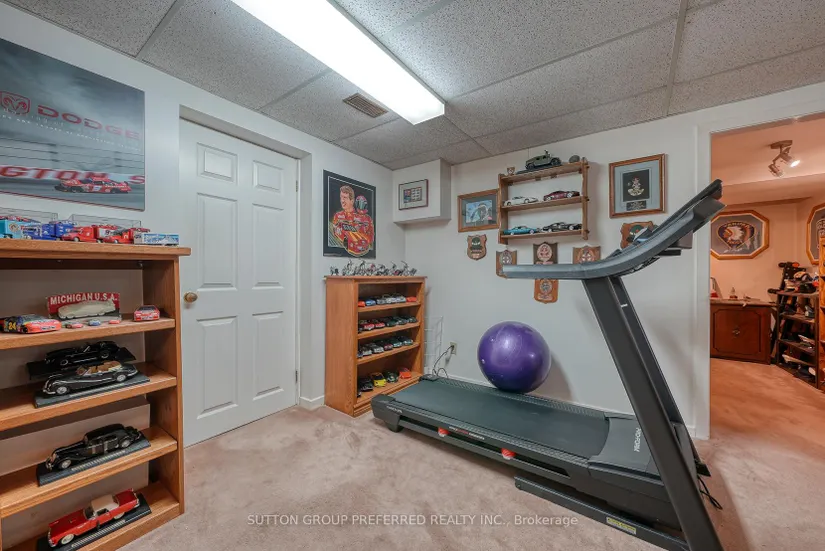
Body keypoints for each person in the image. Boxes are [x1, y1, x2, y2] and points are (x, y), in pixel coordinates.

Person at [330, 185, 374, 256]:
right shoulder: (337, 216)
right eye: (341, 197)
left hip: (359, 249)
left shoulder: (362, 218)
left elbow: (370, 237)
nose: (342, 201)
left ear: (352, 201)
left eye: (345, 198)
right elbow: (335, 231)